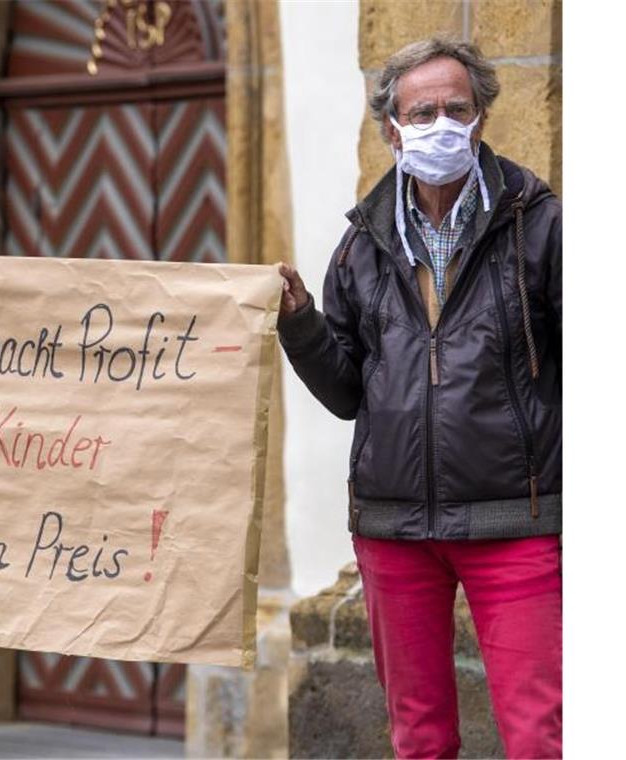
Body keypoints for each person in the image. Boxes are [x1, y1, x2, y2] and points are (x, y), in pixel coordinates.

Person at [277, 38, 561, 759]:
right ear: (391, 129)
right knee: (419, 739)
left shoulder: (541, 226)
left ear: (482, 118)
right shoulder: (361, 246)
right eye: (423, 111)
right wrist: (301, 320)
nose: (442, 124)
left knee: (542, 735)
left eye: (456, 109)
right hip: (393, 528)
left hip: (516, 521)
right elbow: (346, 393)